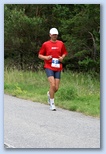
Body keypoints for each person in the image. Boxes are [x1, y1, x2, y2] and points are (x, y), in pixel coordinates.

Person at [38, 28, 68, 111]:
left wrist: (62, 57)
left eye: (56, 35)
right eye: (53, 34)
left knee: (56, 88)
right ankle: (52, 103)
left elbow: (64, 53)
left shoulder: (61, 43)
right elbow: (40, 55)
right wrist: (46, 57)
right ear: (50, 35)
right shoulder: (46, 44)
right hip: (49, 66)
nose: (55, 36)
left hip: (58, 67)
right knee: (52, 85)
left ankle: (49, 94)